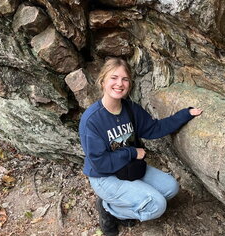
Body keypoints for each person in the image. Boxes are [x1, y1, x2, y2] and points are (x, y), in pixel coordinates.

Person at [79, 57, 202, 236]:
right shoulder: (92, 120)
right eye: (114, 78)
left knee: (171, 188)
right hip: (104, 176)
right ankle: (109, 209)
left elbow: (155, 129)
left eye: (125, 79)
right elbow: (100, 163)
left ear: (129, 84)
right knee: (157, 205)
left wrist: (185, 114)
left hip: (128, 169)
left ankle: (125, 200)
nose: (119, 83)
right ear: (103, 81)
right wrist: (131, 152)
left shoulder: (130, 109)